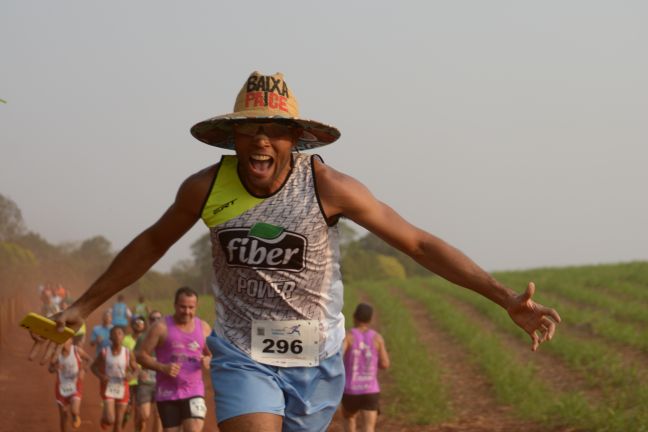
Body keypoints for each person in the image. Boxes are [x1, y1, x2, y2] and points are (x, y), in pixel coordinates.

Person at [37, 71, 561, 432]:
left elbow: (419, 243)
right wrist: (83, 305)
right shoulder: (205, 189)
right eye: (249, 129)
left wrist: (502, 295)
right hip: (243, 354)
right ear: (232, 136)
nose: (261, 141)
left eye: (275, 130)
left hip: (317, 357)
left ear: (296, 138)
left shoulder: (328, 187)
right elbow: (152, 242)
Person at [136, 287, 211, 432]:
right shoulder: (160, 327)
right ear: (175, 305)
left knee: (194, 428)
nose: (187, 311)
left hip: (194, 390)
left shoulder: (204, 328)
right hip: (167, 393)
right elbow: (141, 355)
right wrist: (162, 367)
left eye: (191, 307)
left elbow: (212, 353)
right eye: (183, 307)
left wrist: (208, 359)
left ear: (196, 307)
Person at [341, 304, 390, 432]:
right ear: (370, 319)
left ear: (354, 317)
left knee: (349, 419)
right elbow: (385, 364)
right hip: (370, 390)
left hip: (350, 390)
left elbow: (338, 359)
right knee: (369, 428)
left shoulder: (348, 337)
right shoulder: (377, 338)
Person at [91, 325, 138, 432]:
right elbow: (93, 367)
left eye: (120, 333)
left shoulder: (128, 353)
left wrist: (131, 375)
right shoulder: (104, 352)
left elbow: (136, 369)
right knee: (110, 419)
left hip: (123, 388)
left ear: (123, 337)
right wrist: (101, 376)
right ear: (110, 337)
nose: (117, 336)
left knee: (118, 423)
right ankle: (104, 419)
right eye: (114, 334)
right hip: (108, 387)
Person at [48, 336, 91, 431]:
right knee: (63, 416)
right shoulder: (56, 354)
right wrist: (54, 368)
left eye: (66, 339)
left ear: (71, 341)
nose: (63, 341)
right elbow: (50, 368)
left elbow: (89, 360)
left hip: (76, 386)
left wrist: (83, 370)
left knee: (74, 411)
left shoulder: (76, 351)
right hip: (61, 387)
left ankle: (76, 416)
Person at [135, 310, 164, 432]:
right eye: (153, 319)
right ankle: (138, 426)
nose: (156, 321)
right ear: (149, 321)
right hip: (146, 382)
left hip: (162, 382)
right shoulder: (142, 338)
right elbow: (134, 357)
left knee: (159, 415)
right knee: (144, 415)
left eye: (158, 318)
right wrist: (138, 371)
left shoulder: (167, 337)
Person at [122, 316, 147, 429]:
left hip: (143, 378)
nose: (139, 325)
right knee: (128, 406)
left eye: (141, 323)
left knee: (140, 408)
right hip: (130, 377)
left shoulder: (147, 339)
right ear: (132, 325)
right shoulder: (125, 340)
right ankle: (124, 418)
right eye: (136, 323)